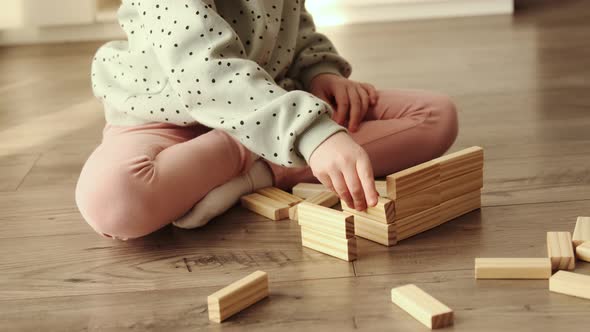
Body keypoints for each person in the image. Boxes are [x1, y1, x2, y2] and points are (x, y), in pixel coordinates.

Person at [76, 0, 458, 240]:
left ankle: (257, 174)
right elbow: (202, 73)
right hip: (165, 117)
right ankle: (261, 152)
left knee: (436, 116)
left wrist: (322, 71)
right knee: (112, 201)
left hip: (271, 102)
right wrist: (312, 133)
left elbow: (296, 25)